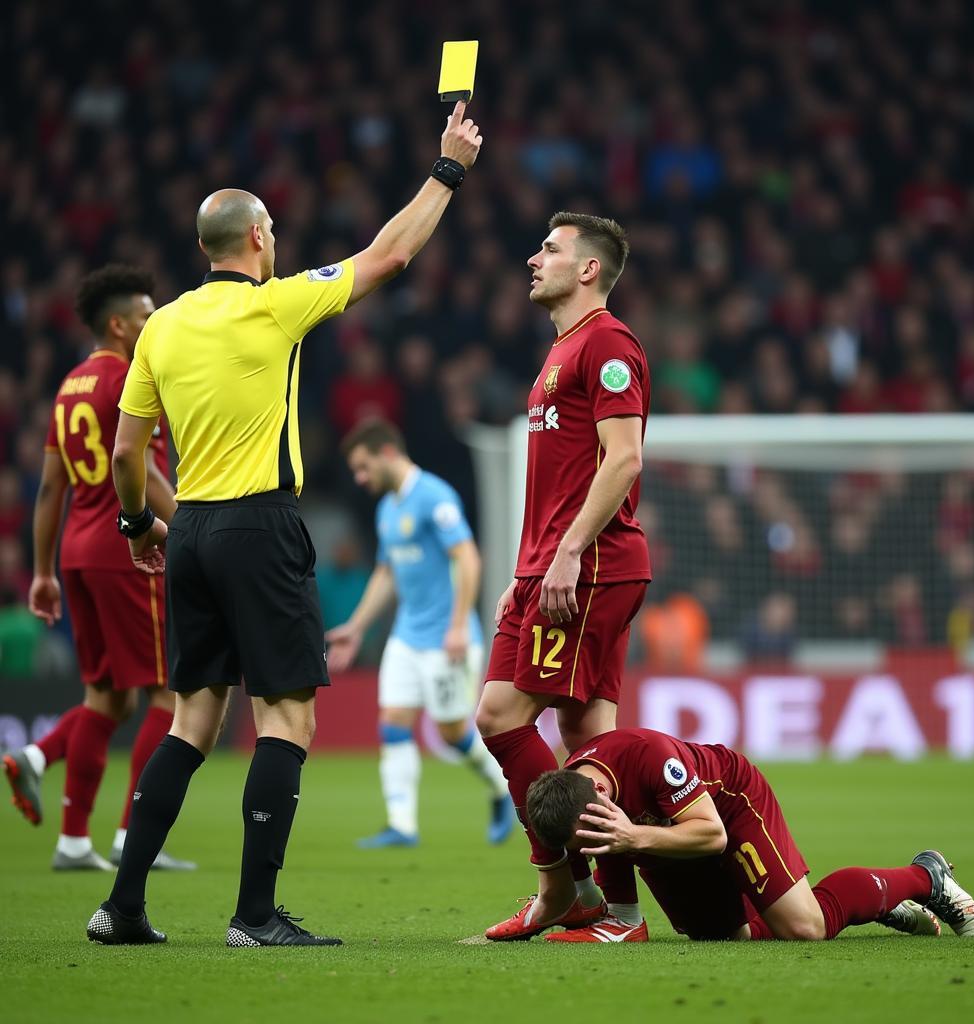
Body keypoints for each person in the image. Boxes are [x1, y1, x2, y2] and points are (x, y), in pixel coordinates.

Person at [85, 100, 482, 947]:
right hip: (260, 530)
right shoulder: (277, 305)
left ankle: (121, 908)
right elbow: (393, 253)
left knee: (192, 721)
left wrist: (137, 528)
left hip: (187, 530)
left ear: (204, 250)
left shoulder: (161, 327)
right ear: (259, 239)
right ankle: (255, 915)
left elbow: (127, 453)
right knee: (287, 721)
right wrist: (448, 167)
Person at [474, 213, 651, 940]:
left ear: (587, 270)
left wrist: (571, 552)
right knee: (590, 742)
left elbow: (624, 459)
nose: (532, 257)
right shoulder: (563, 351)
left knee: (498, 717)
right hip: (551, 567)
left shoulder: (608, 343)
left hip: (588, 566)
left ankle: (562, 887)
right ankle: (623, 913)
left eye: (549, 249)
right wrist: (527, 574)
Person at [3, 265, 193, 873]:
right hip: (127, 551)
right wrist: (194, 525)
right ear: (118, 324)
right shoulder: (128, 379)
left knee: (104, 698)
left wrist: (41, 570)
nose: (152, 321)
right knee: (166, 694)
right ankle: (134, 837)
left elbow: (49, 488)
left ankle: (72, 839)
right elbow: (143, 469)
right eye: (144, 314)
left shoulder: (70, 386)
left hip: (77, 554)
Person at [524, 727, 974, 942]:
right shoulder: (568, 799)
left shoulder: (650, 756)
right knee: (726, 936)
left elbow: (711, 835)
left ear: (603, 795)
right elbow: (616, 880)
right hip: (657, 828)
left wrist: (633, 840)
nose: (588, 851)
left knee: (805, 928)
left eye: (592, 838)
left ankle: (926, 876)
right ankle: (867, 905)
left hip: (728, 808)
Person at [326, 418, 514, 848]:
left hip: (446, 639)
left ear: (387, 453)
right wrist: (356, 627)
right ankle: (402, 825)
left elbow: (468, 559)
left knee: (452, 733)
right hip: (407, 638)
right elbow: (386, 573)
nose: (360, 478)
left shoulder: (434, 496)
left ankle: (501, 788)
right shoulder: (387, 509)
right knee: (393, 722)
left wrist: (457, 625)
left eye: (363, 467)